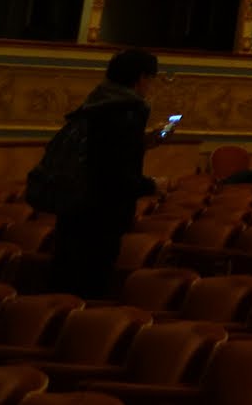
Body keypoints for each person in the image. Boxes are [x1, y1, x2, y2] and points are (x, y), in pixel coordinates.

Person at [47, 48, 165, 298]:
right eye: (151, 78)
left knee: (65, 283)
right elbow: (113, 175)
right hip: (101, 214)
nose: (151, 85)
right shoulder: (127, 111)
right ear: (142, 78)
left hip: (73, 207)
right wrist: (151, 186)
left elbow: (101, 153)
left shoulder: (97, 102)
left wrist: (141, 143)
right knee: (88, 287)